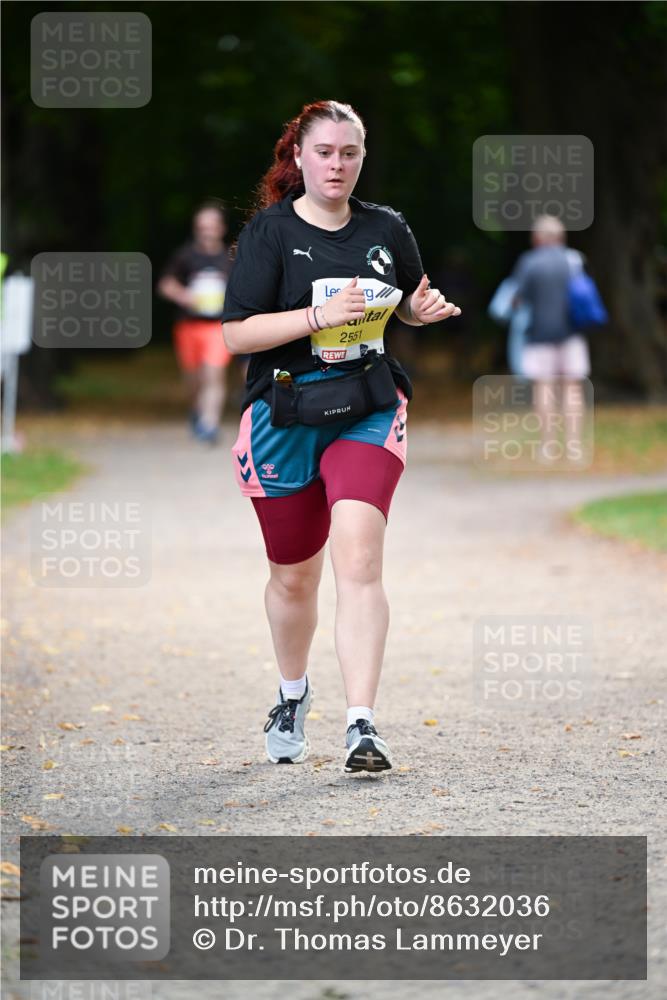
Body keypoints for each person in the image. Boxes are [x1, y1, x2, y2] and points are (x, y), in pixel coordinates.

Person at [222, 100, 461, 773]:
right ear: (298, 156)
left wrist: (420, 309)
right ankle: (292, 694)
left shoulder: (385, 226)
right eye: (324, 152)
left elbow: (407, 301)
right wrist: (315, 316)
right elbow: (237, 333)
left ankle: (362, 726)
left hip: (366, 405)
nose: (337, 165)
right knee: (293, 578)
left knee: (358, 560)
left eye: (349, 153)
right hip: (285, 412)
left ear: (362, 157)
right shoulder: (269, 233)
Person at [512, 214, 591, 463]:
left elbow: (517, 299)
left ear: (537, 238)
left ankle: (548, 447)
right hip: (572, 334)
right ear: (561, 237)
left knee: (544, 389)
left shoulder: (529, 262)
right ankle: (575, 446)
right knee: (572, 389)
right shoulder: (574, 259)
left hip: (539, 336)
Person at [158, 203, 234, 444]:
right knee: (193, 379)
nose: (207, 231)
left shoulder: (231, 257)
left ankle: (209, 424)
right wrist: (184, 296)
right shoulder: (185, 255)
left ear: (221, 228)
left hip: (218, 326)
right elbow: (165, 284)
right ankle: (196, 411)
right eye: (202, 227)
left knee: (214, 373)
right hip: (188, 325)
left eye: (211, 226)